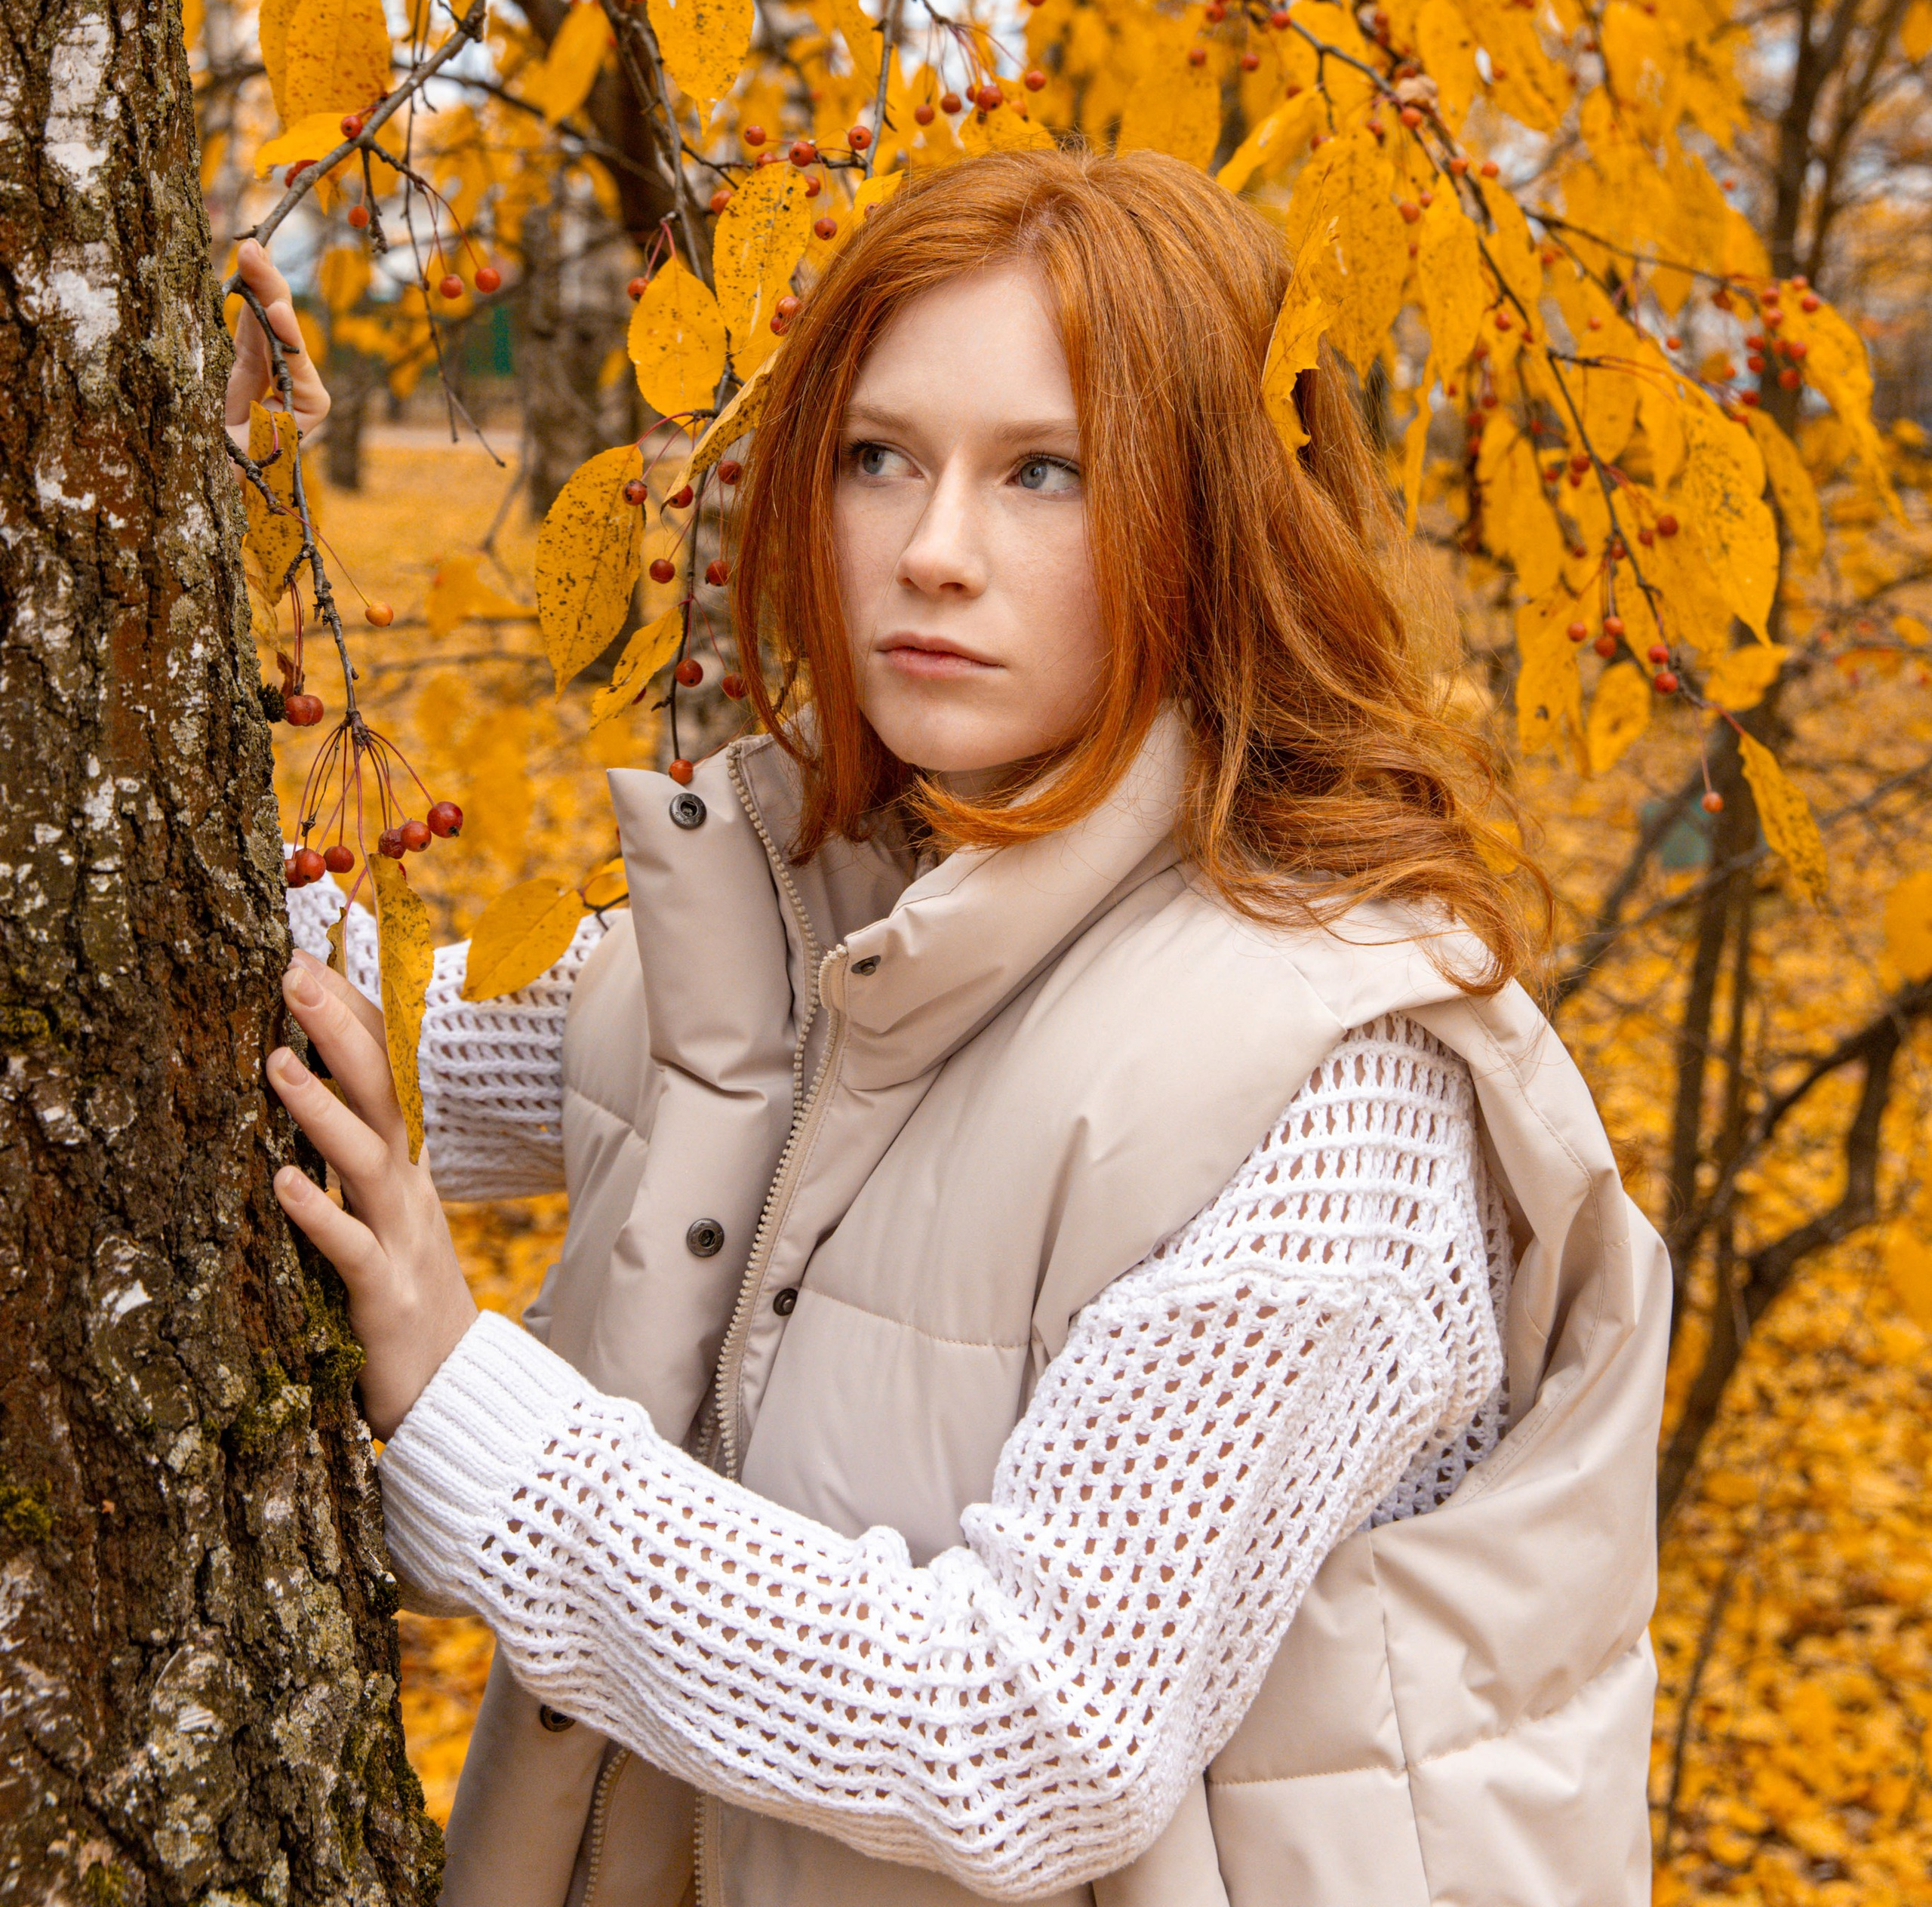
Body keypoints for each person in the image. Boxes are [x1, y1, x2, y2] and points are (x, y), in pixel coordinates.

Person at [259, 150, 1670, 1907]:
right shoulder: (823, 921)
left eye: (1044, 475)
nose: (931, 550)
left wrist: (471, 1404)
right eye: (878, 458)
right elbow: (324, 1045)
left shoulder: (1339, 1074)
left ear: (1219, 521)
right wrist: (213, 518)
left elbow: (1036, 1738)